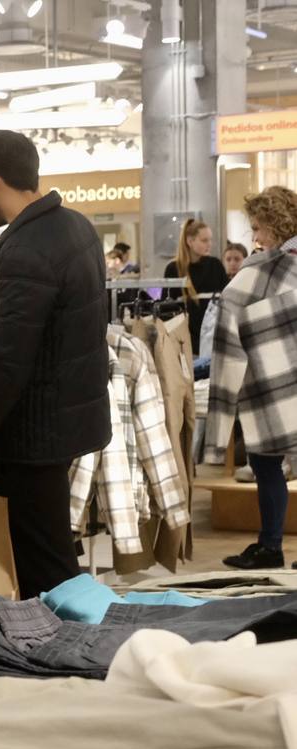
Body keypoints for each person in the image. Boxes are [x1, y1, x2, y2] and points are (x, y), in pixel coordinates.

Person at [0, 130, 111, 599]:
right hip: (60, 424)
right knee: (49, 552)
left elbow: (8, 361)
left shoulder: (27, 249)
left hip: (30, 435)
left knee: (43, 567)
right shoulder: (75, 227)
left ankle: (71, 657)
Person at [213, 186, 297, 570]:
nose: (256, 238)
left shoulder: (273, 266)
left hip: (275, 380)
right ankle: (269, 545)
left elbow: (236, 311)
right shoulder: (273, 265)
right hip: (280, 377)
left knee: (265, 462)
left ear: (277, 222)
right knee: (265, 461)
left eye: (259, 228)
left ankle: (271, 546)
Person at [164, 218, 228, 356]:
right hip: (184, 342)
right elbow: (166, 309)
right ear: (190, 241)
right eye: (204, 240)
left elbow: (226, 300)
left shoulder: (215, 265)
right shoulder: (174, 269)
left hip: (212, 338)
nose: (209, 244)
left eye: (210, 240)